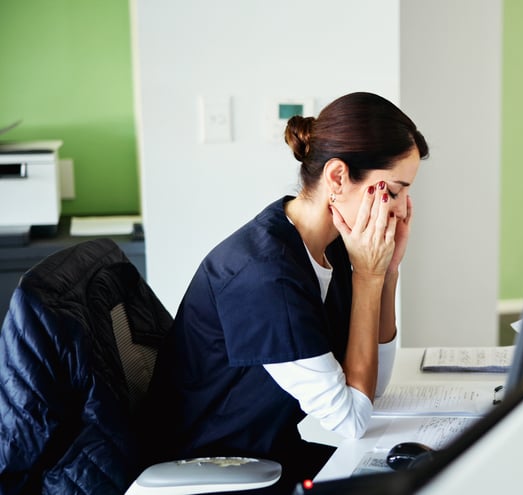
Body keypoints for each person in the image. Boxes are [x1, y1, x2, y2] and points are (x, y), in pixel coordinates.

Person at [143, 92, 429, 485]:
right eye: (393, 190)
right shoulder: (265, 275)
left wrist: (389, 270)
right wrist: (369, 277)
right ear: (338, 177)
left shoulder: (334, 246)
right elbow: (351, 418)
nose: (399, 209)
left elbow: (370, 389)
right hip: (219, 472)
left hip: (269, 453)